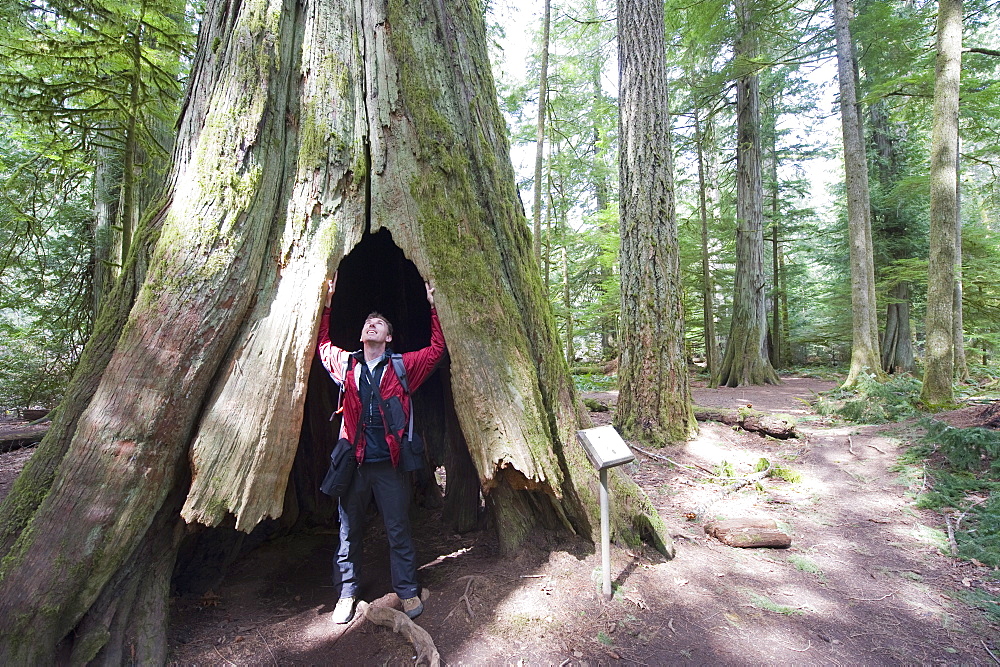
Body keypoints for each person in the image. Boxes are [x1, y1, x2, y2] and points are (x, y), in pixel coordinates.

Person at [316, 273, 446, 624]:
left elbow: (436, 350)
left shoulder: (403, 367)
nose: (372, 326)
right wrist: (326, 305)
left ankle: (406, 590)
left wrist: (434, 307)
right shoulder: (347, 365)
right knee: (348, 530)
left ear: (388, 337)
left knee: (397, 528)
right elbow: (322, 344)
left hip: (389, 465)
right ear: (362, 335)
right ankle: (346, 593)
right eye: (368, 323)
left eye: (379, 324)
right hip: (354, 465)